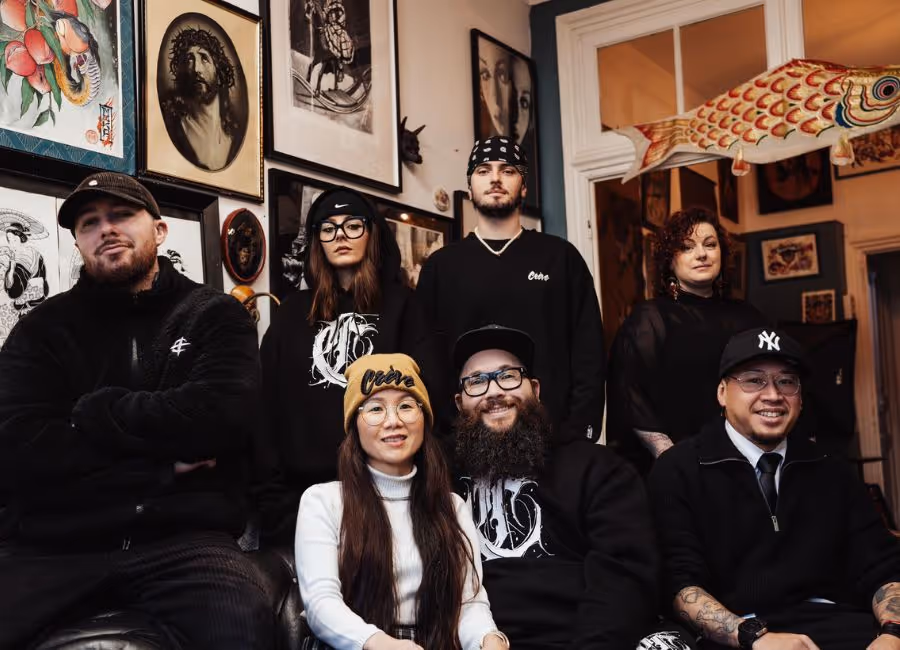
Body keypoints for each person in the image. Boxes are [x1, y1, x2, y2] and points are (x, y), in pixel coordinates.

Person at [0, 172, 271, 649]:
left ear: (159, 231)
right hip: (58, 543)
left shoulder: (214, 314)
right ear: (78, 243)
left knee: (241, 621)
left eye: (122, 215)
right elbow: (16, 447)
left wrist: (94, 413)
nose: (106, 229)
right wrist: (165, 466)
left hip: (184, 541)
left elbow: (221, 418)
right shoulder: (41, 329)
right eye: (89, 222)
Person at [648, 327, 900, 650]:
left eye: (786, 382)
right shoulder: (678, 469)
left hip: (836, 624)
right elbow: (679, 586)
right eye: (754, 380)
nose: (773, 395)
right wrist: (754, 637)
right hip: (735, 634)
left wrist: (892, 633)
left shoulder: (831, 468)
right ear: (722, 392)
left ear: (800, 398)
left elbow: (881, 564)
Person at [451, 324, 660, 649]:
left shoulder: (597, 468)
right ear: (459, 402)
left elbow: (624, 577)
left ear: (535, 389)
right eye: (476, 381)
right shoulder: (439, 481)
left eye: (508, 376)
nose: (493, 392)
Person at [295, 353, 509, 650]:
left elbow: (469, 605)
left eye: (406, 406)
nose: (393, 421)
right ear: (354, 424)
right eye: (375, 409)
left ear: (424, 418)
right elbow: (321, 603)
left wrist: (490, 638)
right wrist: (380, 643)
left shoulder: (452, 506)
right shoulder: (323, 501)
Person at [258, 187, 434, 544]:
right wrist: (272, 500)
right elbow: (264, 409)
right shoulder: (292, 313)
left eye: (352, 225)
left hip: (387, 494)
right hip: (300, 499)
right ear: (317, 241)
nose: (340, 236)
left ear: (371, 234)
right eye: (328, 228)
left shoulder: (405, 307)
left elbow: (425, 404)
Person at [417, 138, 605, 445]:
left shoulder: (561, 258)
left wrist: (579, 433)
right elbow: (428, 361)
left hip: (554, 441)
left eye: (507, 170)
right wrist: (443, 437)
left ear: (524, 186)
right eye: (483, 170)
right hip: (466, 443)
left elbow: (589, 354)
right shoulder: (441, 266)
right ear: (469, 188)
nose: (495, 178)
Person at [607, 207, 765, 474]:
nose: (702, 254)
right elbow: (629, 394)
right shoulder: (651, 318)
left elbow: (775, 380)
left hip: (748, 461)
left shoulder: (747, 316)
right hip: (679, 464)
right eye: (687, 247)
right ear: (670, 261)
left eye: (710, 245)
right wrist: (673, 460)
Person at [160, 26, 244, 171]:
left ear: (219, 73)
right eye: (189, 60)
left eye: (204, 58)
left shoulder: (235, 136)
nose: (196, 69)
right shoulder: (171, 127)